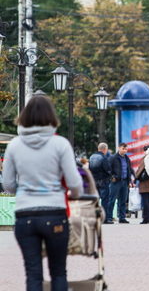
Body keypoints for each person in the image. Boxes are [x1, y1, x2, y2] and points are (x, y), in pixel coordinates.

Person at [2, 95, 83, 290]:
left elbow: (8, 185)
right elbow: (74, 183)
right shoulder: (60, 144)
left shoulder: (14, 146)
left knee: (33, 273)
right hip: (54, 213)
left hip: (25, 215)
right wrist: (72, 193)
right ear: (51, 116)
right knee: (58, 271)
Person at [108, 143, 134, 224]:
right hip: (116, 182)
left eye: (126, 149)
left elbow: (129, 169)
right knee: (112, 200)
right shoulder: (113, 158)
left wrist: (130, 180)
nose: (125, 150)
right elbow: (108, 169)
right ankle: (109, 217)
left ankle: (122, 217)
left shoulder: (127, 158)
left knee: (123, 200)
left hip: (125, 181)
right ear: (119, 148)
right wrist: (112, 177)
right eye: (123, 148)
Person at [89, 142, 112, 223]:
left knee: (96, 200)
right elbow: (108, 170)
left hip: (94, 182)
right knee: (105, 201)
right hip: (103, 181)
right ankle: (104, 218)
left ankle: (95, 217)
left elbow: (89, 169)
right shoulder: (103, 158)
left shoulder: (91, 157)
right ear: (105, 149)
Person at [135, 145, 149, 224]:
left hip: (145, 182)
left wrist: (136, 177)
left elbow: (140, 169)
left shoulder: (146, 158)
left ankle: (145, 219)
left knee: (145, 201)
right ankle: (148, 218)